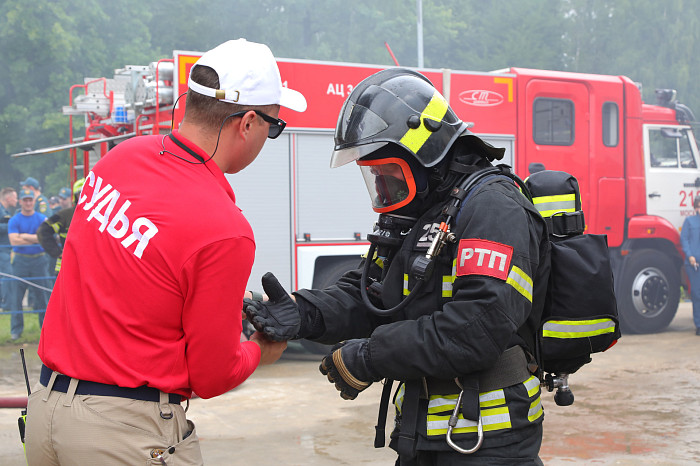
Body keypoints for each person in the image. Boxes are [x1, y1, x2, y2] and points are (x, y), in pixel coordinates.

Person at [245, 68, 550, 465]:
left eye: (389, 173)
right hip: (424, 436)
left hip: (489, 440)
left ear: (425, 155)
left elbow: (476, 329)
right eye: (375, 176)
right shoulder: (427, 210)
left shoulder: (494, 208)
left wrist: (370, 357)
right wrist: (305, 313)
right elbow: (374, 295)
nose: (383, 189)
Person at [26, 38, 305, 465]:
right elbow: (213, 375)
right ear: (248, 122)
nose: (269, 137)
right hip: (123, 434)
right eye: (275, 126)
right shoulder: (224, 230)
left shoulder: (119, 159)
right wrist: (262, 349)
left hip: (48, 411)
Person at [7, 189, 49, 340]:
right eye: (25, 200)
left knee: (43, 297)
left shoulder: (42, 218)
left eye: (30, 200)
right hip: (20, 260)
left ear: (33, 201)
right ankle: (15, 331)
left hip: (39, 260)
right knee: (16, 297)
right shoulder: (14, 220)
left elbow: (45, 237)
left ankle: (46, 330)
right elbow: (13, 241)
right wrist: (35, 238)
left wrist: (23, 236)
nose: (28, 203)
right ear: (21, 202)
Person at [37, 179, 85, 276]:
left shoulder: (102, 217)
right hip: (67, 270)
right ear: (75, 196)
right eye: (81, 193)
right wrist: (57, 252)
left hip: (90, 270)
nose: (84, 196)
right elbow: (43, 231)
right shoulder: (65, 215)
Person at [680, 194, 700, 336]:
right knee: (697, 294)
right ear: (695, 207)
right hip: (694, 265)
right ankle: (699, 324)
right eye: (699, 206)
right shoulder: (689, 221)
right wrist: (690, 256)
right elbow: (684, 239)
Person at [0, 187, 18, 309]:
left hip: (5, 249)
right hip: (2, 249)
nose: (17, 201)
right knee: (8, 275)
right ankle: (7, 305)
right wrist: (12, 226)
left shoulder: (5, 211)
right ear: (8, 198)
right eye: (15, 198)